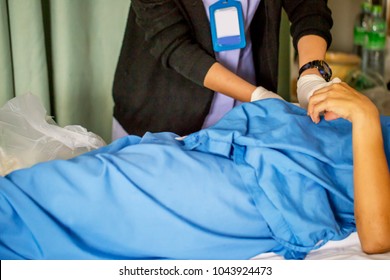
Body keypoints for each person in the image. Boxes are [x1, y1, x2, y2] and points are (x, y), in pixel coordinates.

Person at [1, 82, 389, 260]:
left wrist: (366, 117)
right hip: (254, 143)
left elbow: (377, 237)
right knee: (101, 174)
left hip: (268, 187)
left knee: (71, 198)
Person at [112, 0, 334, 139]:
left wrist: (311, 75)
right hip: (164, 113)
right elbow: (171, 42)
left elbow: (308, 7)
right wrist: (257, 96)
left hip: (244, 114)